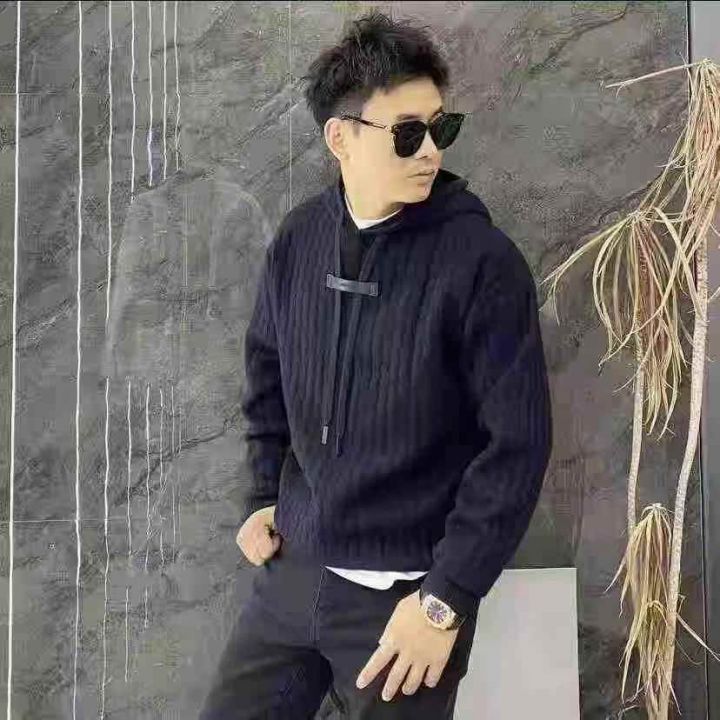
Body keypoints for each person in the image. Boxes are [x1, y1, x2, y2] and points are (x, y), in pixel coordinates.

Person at [199, 10, 553, 720]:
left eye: (442, 129)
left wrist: (444, 601)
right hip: (292, 576)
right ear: (341, 138)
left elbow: (517, 446)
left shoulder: (482, 264)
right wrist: (262, 495)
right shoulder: (299, 240)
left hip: (405, 602)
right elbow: (266, 378)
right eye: (408, 133)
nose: (431, 152)